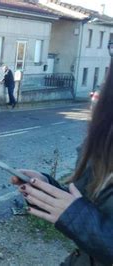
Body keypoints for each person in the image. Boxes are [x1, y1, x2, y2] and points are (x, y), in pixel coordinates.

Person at [11, 56, 113, 265]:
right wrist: (46, 188)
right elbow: (87, 205)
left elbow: (84, 215)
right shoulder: (103, 141)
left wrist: (77, 217)